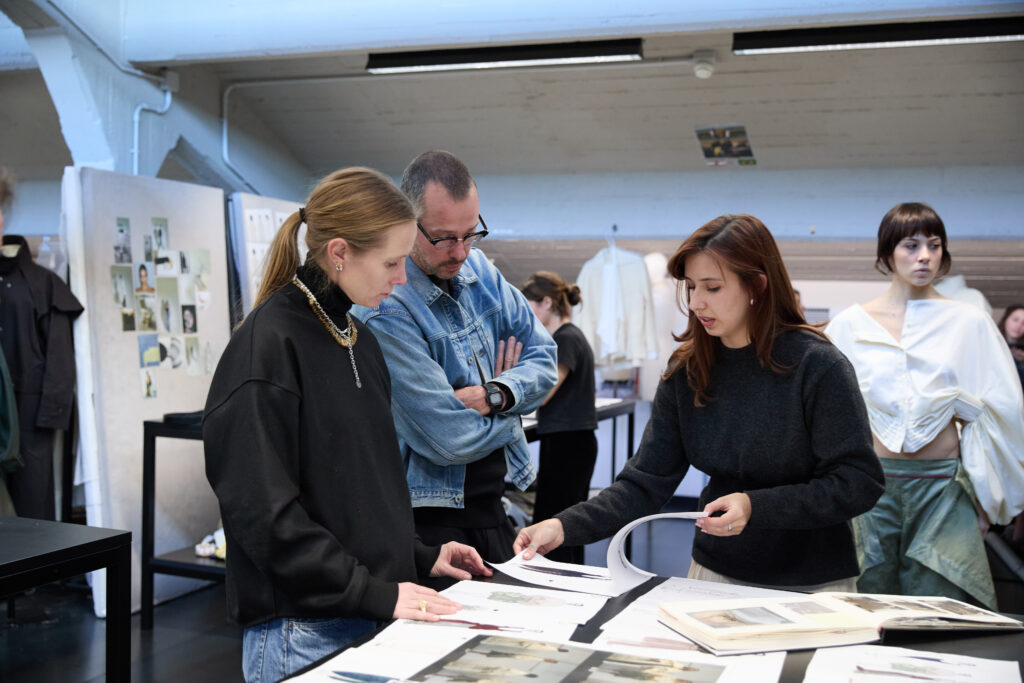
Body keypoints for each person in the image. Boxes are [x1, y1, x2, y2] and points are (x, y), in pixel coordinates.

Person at [203, 167, 492, 683]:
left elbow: (358, 490)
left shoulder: (360, 337)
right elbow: (264, 518)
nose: (401, 279)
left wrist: (419, 555)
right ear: (339, 252)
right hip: (302, 632)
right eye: (392, 262)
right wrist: (372, 591)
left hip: (368, 615)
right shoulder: (267, 346)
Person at [515, 214, 884, 592]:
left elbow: (858, 482)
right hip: (715, 573)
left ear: (757, 285)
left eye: (712, 287)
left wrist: (755, 506)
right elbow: (644, 483)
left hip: (814, 583)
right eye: (691, 287)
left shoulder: (818, 366)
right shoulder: (686, 372)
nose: (695, 303)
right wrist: (562, 525)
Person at [352, 150, 557, 563]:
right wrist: (514, 414)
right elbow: (448, 439)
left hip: (490, 506)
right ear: (408, 222)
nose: (460, 252)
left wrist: (494, 394)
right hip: (428, 524)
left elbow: (544, 360)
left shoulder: (480, 271)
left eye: (471, 233)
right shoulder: (386, 308)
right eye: (444, 238)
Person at [826, 202, 1024, 609]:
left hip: (943, 488)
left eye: (934, 245)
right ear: (888, 252)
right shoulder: (850, 325)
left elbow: (1004, 409)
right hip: (872, 486)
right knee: (867, 601)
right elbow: (828, 414)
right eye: (911, 245)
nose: (925, 257)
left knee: (941, 606)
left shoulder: (969, 322)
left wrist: (986, 498)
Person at [520, 271, 597, 563]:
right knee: (564, 522)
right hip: (569, 443)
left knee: (557, 524)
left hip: (568, 445)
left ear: (546, 302)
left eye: (530, 306)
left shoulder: (565, 339)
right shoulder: (569, 337)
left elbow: (543, 392)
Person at [997, 304, 1024, 390]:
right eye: (1015, 320)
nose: (1018, 326)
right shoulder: (992, 343)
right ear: (1006, 319)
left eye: (1023, 323)